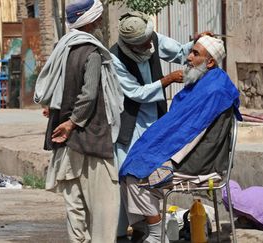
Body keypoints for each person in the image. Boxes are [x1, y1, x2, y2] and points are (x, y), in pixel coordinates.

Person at [119, 35, 241, 242]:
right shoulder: (202, 82)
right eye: (190, 52)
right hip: (188, 152)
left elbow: (192, 134)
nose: (188, 57)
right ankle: (146, 229)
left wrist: (164, 157)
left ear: (210, 62)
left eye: (195, 54)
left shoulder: (214, 90)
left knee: (136, 176)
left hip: (199, 161)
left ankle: (157, 234)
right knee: (130, 164)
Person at [109, 11, 209, 239]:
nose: (149, 45)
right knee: (128, 174)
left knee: (152, 174)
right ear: (131, 45)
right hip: (131, 122)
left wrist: (196, 42)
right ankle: (129, 231)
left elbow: (180, 52)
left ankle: (151, 227)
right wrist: (167, 80)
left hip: (157, 121)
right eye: (143, 44)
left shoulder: (151, 38)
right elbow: (134, 93)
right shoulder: (115, 58)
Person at [33, 0, 123, 242]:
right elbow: (89, 94)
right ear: (90, 21)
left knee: (75, 205)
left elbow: (56, 89)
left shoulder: (62, 48)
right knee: (105, 206)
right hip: (90, 138)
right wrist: (73, 122)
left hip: (65, 141)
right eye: (99, 18)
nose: (102, 22)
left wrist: (59, 115)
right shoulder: (91, 52)